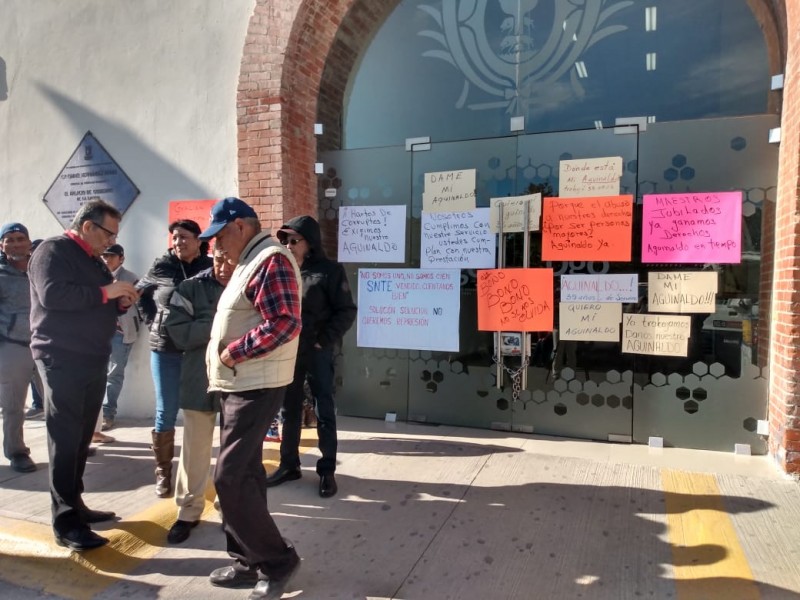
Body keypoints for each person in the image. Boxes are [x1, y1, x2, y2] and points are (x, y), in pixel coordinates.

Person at [199, 197, 302, 600]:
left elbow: (285, 321)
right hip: (239, 383)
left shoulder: (269, 259)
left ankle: (277, 561)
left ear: (241, 226)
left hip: (254, 383)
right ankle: (249, 560)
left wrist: (232, 352)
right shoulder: (251, 260)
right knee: (246, 473)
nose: (216, 246)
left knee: (230, 476)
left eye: (221, 236)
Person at [28, 199, 139, 551]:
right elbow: (52, 295)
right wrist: (108, 291)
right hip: (62, 357)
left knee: (80, 440)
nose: (112, 242)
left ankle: (75, 505)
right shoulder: (52, 251)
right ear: (88, 226)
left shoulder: (92, 260)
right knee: (64, 439)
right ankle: (66, 523)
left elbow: (94, 298)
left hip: (92, 357)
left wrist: (118, 300)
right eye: (109, 233)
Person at [265, 216, 356, 498]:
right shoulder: (282, 270)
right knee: (288, 409)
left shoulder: (329, 271)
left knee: (323, 410)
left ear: (310, 242)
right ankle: (288, 464)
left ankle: (327, 470)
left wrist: (323, 341)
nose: (288, 245)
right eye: (285, 241)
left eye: (294, 240)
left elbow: (346, 311)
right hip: (288, 350)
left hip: (317, 351)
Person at [137, 220, 212, 497]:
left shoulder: (209, 267)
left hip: (198, 350)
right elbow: (139, 294)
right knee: (166, 410)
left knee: (199, 412)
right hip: (165, 349)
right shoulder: (162, 266)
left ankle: (196, 471)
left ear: (198, 240)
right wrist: (152, 321)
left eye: (184, 237)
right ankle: (163, 472)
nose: (178, 242)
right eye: (175, 237)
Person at [163, 249, 233, 544]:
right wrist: (220, 327)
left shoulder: (249, 286)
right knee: (194, 448)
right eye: (219, 259)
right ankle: (188, 511)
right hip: (198, 378)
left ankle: (230, 508)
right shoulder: (190, 288)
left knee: (234, 452)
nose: (223, 267)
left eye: (230, 261)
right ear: (211, 257)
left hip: (237, 378)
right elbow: (179, 333)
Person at [0, 222, 39, 473]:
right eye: (9, 239)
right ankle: (17, 453)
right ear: (2, 246)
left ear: (28, 242)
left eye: (20, 238)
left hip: (48, 346)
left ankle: (70, 447)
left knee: (62, 402)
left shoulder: (42, 271)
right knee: (13, 406)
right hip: (13, 348)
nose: (15, 244)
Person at [97, 243, 140, 432]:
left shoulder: (130, 278)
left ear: (121, 258)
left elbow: (135, 306)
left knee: (114, 374)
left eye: (111, 256)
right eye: (105, 256)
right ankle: (95, 418)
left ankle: (108, 414)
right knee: (95, 374)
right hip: (98, 332)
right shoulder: (97, 276)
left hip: (121, 332)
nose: (107, 259)